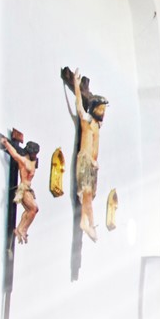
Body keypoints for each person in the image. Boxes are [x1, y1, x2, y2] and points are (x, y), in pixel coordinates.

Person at [68, 68, 108, 242]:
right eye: (101, 109)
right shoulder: (87, 122)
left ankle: (86, 221)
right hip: (85, 161)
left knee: (89, 196)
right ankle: (89, 224)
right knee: (87, 194)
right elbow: (78, 105)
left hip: (92, 164)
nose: (104, 112)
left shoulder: (97, 126)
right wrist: (76, 84)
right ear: (94, 109)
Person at [0, 135, 40, 244]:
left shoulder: (34, 160)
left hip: (28, 188)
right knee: (34, 209)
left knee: (29, 210)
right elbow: (14, 153)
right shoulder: (23, 161)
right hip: (23, 189)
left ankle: (19, 229)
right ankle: (22, 229)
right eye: (33, 153)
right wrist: (6, 143)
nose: (35, 155)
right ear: (29, 152)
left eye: (36, 154)